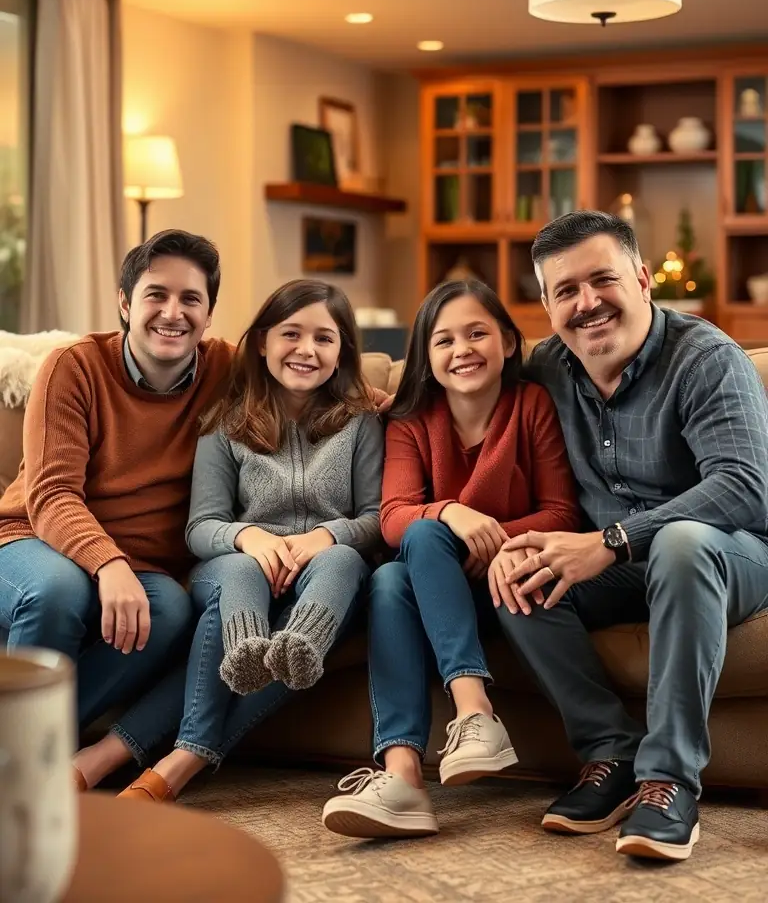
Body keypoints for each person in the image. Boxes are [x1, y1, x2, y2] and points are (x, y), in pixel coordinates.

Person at [496, 210, 768, 862]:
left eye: (603, 280)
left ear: (643, 279)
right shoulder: (548, 368)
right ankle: (610, 753)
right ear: (546, 304)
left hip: (734, 554)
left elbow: (745, 486)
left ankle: (669, 782)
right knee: (514, 571)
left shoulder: (706, 358)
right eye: (566, 290)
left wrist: (611, 539)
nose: (587, 303)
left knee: (681, 542)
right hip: (625, 569)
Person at [73, 279, 384, 802]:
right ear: (261, 342)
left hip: (323, 583)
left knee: (346, 561)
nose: (306, 350)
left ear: (342, 352)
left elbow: (377, 517)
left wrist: (325, 536)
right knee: (240, 574)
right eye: (291, 333)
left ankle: (291, 652)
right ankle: (246, 649)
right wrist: (250, 538)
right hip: (239, 573)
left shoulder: (361, 423)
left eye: (324, 339)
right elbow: (201, 528)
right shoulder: (225, 422)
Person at [322, 279, 580, 838]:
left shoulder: (531, 405)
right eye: (444, 340)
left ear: (509, 343)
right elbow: (393, 516)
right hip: (432, 592)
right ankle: (406, 774)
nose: (461, 349)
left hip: (506, 589)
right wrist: (454, 515)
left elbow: (562, 513)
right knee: (392, 575)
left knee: (414, 551)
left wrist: (489, 539)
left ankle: (472, 717)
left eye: (477, 333)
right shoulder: (411, 420)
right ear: (426, 356)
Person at [0, 229, 233, 751]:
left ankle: (32, 752)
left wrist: (411, 402)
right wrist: (109, 563)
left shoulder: (226, 369)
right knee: (59, 591)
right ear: (125, 303)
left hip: (142, 568)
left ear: (210, 314)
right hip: (28, 539)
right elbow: (52, 495)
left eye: (191, 298)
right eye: (157, 295)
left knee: (170, 610)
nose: (173, 312)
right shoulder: (73, 367)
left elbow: (326, 385)